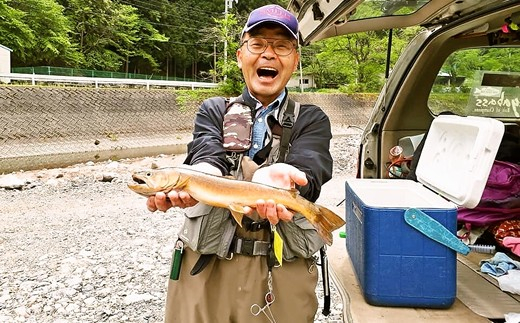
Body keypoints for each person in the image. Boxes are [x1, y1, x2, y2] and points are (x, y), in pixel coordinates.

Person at [146, 4, 333, 322]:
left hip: (281, 267)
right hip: (207, 262)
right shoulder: (216, 110)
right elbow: (207, 152)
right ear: (240, 55)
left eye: (282, 46)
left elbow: (312, 166)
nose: (269, 54)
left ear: (295, 60)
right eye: (258, 44)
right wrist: (202, 175)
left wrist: (288, 176)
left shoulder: (311, 119)